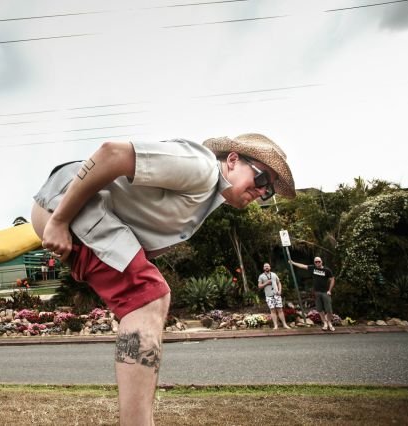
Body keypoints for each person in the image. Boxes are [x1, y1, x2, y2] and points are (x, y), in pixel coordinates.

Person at [31, 134, 296, 425]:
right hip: (64, 207)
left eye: (269, 190)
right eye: (262, 179)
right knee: (149, 298)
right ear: (232, 160)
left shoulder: (208, 197)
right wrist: (59, 221)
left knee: (152, 299)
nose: (263, 191)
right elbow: (111, 154)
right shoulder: (201, 167)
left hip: (80, 216)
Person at [289, 257, 335, 331]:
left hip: (325, 292)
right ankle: (325, 323)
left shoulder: (327, 270)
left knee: (329, 310)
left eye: (319, 261)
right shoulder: (313, 268)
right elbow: (302, 266)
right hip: (317, 292)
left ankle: (329, 322)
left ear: (321, 262)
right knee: (320, 309)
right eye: (316, 262)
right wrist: (293, 262)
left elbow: (332, 279)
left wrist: (329, 290)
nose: (317, 263)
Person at [257, 263, 290, 330]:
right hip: (269, 296)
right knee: (272, 311)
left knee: (280, 310)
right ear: (263, 268)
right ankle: (275, 326)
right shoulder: (261, 276)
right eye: (265, 266)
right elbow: (259, 286)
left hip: (276, 295)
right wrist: (266, 283)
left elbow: (279, 282)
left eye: (268, 266)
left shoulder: (274, 274)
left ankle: (284, 324)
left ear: (270, 267)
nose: (266, 267)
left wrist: (280, 290)